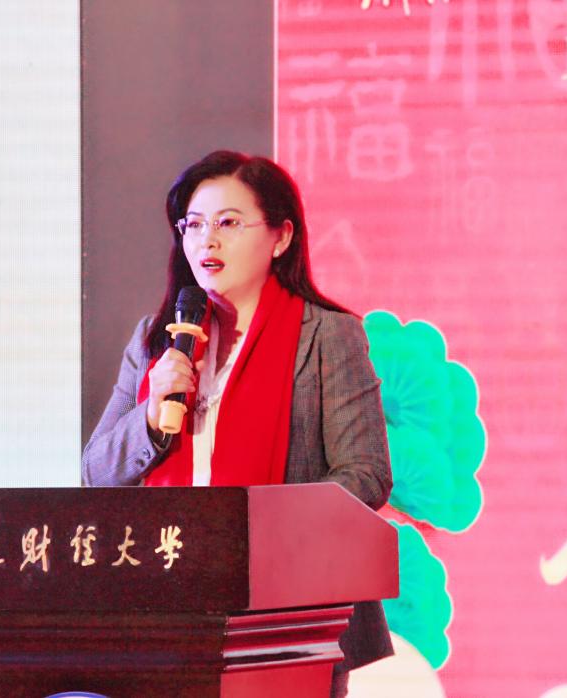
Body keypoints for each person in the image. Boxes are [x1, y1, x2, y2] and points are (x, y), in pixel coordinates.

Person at [82, 150, 394, 696]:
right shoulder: (155, 341)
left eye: (228, 223)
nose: (207, 241)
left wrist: (252, 535)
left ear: (281, 237)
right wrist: (150, 418)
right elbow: (95, 475)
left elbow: (365, 474)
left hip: (291, 615)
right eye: (194, 225)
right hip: (165, 616)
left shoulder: (327, 336)